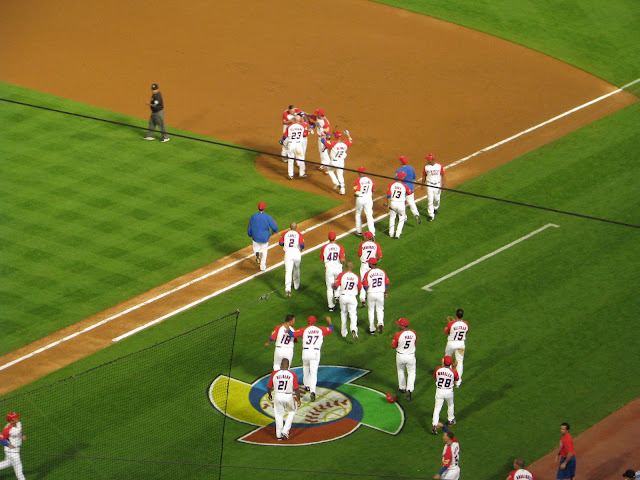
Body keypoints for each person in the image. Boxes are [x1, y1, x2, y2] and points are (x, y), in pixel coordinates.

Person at [288, 316, 333, 402]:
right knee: (313, 373)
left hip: (306, 352)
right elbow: (331, 329)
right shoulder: (320, 330)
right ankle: (312, 391)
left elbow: (292, 334)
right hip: (315, 353)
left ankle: (307, 385)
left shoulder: (304, 330)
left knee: (305, 367)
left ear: (308, 322)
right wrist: (329, 321)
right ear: (315, 322)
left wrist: (288, 327)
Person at [266, 358, 301, 441]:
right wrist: (298, 399)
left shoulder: (274, 373)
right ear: (288, 365)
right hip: (288, 396)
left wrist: (270, 395)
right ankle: (285, 430)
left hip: (277, 396)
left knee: (278, 415)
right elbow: (296, 388)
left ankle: (278, 435)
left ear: (281, 364)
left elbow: (269, 386)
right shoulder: (292, 374)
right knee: (292, 411)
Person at [332, 261, 362, 340]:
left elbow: (335, 287)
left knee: (343, 313)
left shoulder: (342, 275)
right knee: (353, 315)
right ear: (352, 267)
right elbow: (359, 287)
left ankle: (344, 332)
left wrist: (333, 286)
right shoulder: (356, 276)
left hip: (343, 297)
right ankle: (354, 329)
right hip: (352, 297)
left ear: (346, 266)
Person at [432, 355, 459, 434]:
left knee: (437, 408)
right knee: (450, 405)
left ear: (443, 362)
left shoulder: (438, 369)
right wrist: (454, 367)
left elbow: (434, 376)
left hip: (439, 391)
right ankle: (451, 420)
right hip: (448, 392)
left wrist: (442, 366)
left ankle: (434, 425)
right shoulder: (453, 371)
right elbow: (456, 379)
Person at [247, 202, 278, 271]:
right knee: (264, 250)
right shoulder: (268, 217)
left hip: (255, 236)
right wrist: (273, 232)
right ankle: (262, 266)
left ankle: (257, 254)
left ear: (258, 208)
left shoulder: (253, 217)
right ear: (264, 208)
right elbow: (275, 228)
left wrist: (250, 234)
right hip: (265, 237)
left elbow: (249, 227)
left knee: (256, 247)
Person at [320, 231, 345, 312]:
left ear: (328, 238)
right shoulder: (340, 247)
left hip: (329, 269)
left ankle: (331, 306)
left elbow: (322, 258)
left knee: (329, 288)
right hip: (338, 269)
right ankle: (337, 296)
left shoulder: (324, 247)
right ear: (335, 237)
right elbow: (342, 260)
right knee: (339, 284)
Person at [322, 130, 354, 195]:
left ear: (335, 137)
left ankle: (336, 183)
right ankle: (343, 190)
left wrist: (323, 135)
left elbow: (323, 141)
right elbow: (351, 141)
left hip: (334, 162)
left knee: (330, 170)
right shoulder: (345, 144)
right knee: (340, 175)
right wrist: (348, 134)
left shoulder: (333, 144)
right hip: (341, 162)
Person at [391, 318, 416, 400]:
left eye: (399, 324)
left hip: (400, 356)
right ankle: (409, 389)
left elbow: (393, 346)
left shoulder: (398, 335)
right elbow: (414, 342)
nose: (398, 325)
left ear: (402, 325)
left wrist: (393, 340)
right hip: (411, 356)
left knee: (400, 371)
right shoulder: (413, 333)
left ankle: (402, 387)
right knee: (411, 373)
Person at [363, 258, 389, 335]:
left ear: (371, 264)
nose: (368, 264)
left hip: (371, 293)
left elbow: (365, 286)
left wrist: (367, 291)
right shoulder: (382, 272)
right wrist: (385, 293)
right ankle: (380, 323)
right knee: (380, 309)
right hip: (380, 293)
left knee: (371, 310)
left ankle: (372, 329)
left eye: (369, 263)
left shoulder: (368, 273)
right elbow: (386, 284)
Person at [444, 309, 469, 387]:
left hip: (451, 344)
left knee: (447, 359)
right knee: (460, 362)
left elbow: (446, 332)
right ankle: (458, 382)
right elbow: (466, 331)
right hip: (461, 345)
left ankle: (448, 378)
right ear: (462, 315)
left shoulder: (451, 324)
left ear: (456, 315)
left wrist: (449, 323)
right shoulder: (466, 324)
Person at [279, 222, 305, 297]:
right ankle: (296, 286)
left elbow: (280, 243)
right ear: (296, 227)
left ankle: (288, 289)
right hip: (297, 254)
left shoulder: (285, 233)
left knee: (288, 272)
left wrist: (286, 245)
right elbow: (302, 245)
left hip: (288, 254)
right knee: (296, 269)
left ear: (289, 227)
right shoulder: (299, 234)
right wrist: (301, 248)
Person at [357, 231, 382, 307]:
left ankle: (362, 298)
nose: (364, 236)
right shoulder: (376, 244)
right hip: (372, 266)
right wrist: (375, 261)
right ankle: (373, 298)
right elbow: (380, 257)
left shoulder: (362, 244)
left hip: (364, 265)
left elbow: (359, 255)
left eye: (365, 235)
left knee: (363, 281)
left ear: (367, 237)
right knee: (372, 281)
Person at [0, 412, 26, 480]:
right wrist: (8, 445)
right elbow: (0, 438)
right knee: (19, 468)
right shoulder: (8, 429)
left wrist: (21, 435)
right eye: (15, 418)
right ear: (11, 421)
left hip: (16, 449)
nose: (17, 419)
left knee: (8, 463)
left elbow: (19, 431)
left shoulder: (18, 424)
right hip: (12, 451)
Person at [421, 153, 446, 222]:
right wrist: (422, 184)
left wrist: (443, 185)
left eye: (429, 160)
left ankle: (435, 208)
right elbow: (424, 175)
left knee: (437, 199)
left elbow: (443, 175)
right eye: (427, 160)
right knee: (430, 200)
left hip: (437, 185)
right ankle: (431, 215)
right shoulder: (426, 167)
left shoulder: (439, 166)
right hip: (429, 185)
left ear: (433, 159)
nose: (428, 161)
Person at [386, 171, 412, 239]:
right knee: (401, 219)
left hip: (393, 203)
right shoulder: (405, 186)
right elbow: (409, 193)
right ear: (402, 177)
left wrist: (389, 204)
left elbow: (388, 195)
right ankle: (398, 234)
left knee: (392, 218)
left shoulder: (391, 184)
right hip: (401, 204)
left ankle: (391, 234)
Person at [396, 156, 420, 224]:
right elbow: (414, 177)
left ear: (401, 162)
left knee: (401, 204)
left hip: (403, 189)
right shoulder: (411, 168)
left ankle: (404, 218)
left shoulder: (399, 171)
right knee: (411, 202)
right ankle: (416, 214)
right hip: (410, 188)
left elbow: (397, 180)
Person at [353, 167, 376, 236]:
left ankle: (359, 231)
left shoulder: (358, 180)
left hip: (360, 199)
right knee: (369, 215)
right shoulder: (370, 179)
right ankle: (372, 232)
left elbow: (356, 190)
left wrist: (356, 193)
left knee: (358, 213)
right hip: (368, 199)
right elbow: (374, 189)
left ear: (358, 173)